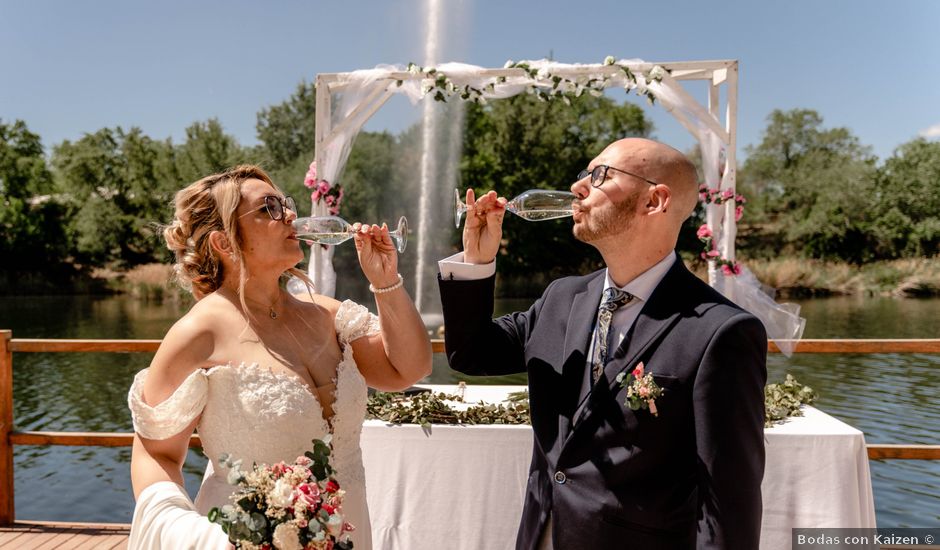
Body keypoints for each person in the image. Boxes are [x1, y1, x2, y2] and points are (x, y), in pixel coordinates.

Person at [438, 138, 767, 550]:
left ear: (655, 201)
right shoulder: (561, 297)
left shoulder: (721, 332)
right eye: (583, 175)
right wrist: (477, 261)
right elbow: (472, 353)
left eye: (599, 176)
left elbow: (727, 510)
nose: (578, 188)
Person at [127, 165, 432, 549]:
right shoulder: (198, 334)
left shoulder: (327, 315)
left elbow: (407, 369)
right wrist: (204, 537)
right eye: (268, 208)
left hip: (349, 529)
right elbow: (156, 455)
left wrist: (385, 281)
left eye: (284, 203)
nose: (290, 214)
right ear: (224, 243)